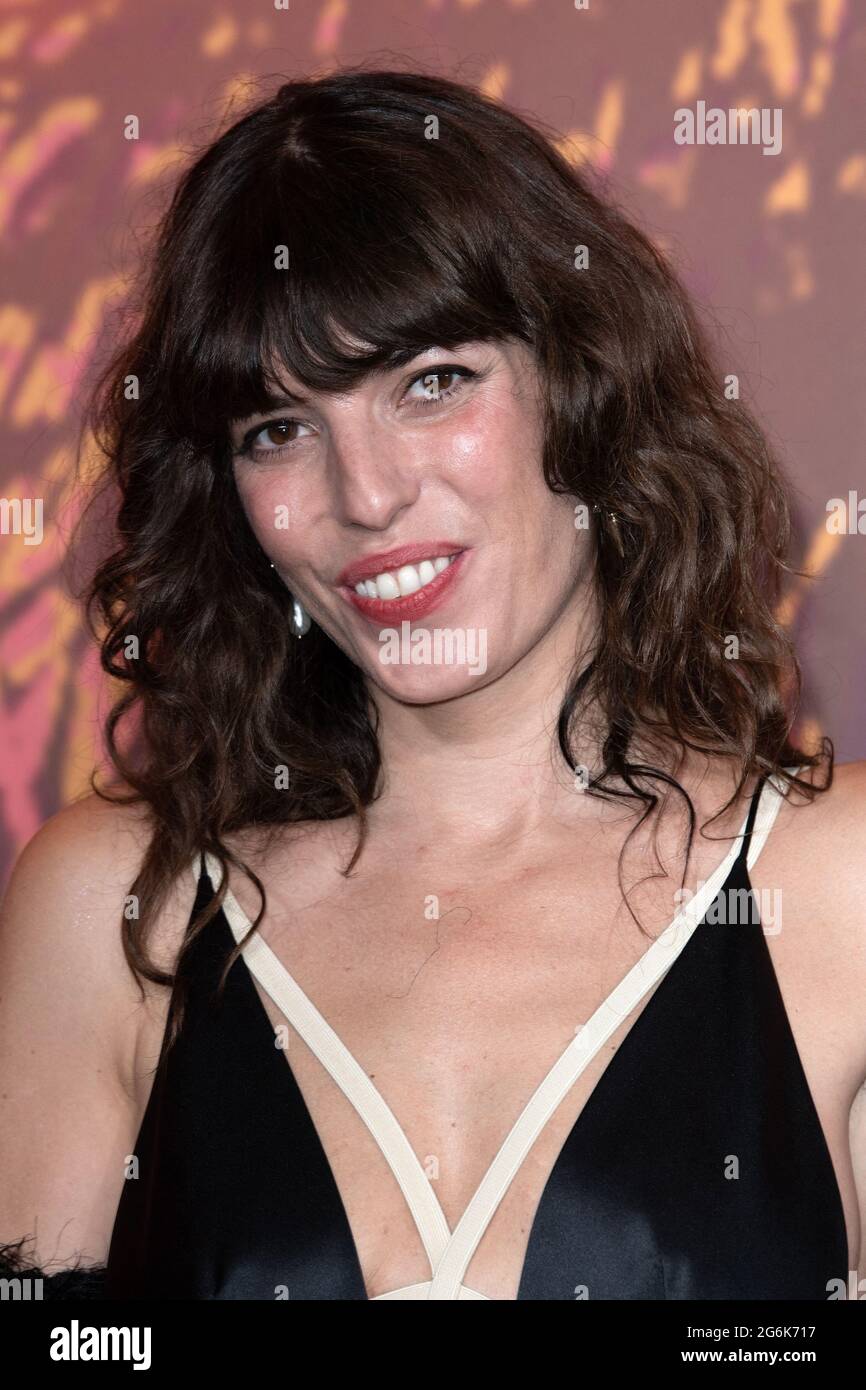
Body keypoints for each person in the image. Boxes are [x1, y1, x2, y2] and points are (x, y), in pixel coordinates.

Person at [1, 66, 864, 1302]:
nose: (366, 496)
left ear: (585, 385)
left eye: (430, 382)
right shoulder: (108, 909)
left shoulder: (838, 889)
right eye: (277, 429)